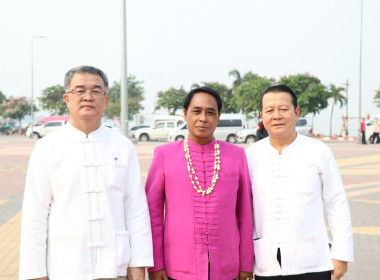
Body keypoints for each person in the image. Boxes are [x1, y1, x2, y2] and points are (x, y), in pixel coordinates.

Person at [19, 65, 153, 280]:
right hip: (65, 267)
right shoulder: (48, 147)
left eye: (96, 91)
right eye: (79, 91)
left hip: (115, 265)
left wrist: (139, 263)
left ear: (106, 100)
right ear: (67, 98)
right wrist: (35, 273)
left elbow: (135, 208)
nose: (88, 97)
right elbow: (35, 215)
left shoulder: (122, 145)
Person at [246, 85, 354, 280]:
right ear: (262, 116)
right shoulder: (250, 155)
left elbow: (336, 203)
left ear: (296, 113)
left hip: (312, 260)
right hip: (266, 262)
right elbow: (243, 211)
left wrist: (341, 254)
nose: (276, 115)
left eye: (283, 109)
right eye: (269, 110)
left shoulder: (318, 151)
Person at [145, 87, 254, 280]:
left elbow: (245, 214)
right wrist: (155, 265)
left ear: (218, 117)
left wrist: (246, 262)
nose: (203, 118)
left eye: (210, 112)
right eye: (196, 111)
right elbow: (153, 216)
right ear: (185, 114)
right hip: (177, 267)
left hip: (227, 267)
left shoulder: (237, 155)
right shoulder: (164, 155)